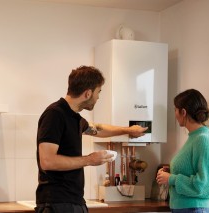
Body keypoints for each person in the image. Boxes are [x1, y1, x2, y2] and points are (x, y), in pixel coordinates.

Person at [35, 65, 148, 213]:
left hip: (72, 201)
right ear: (88, 93)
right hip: (57, 203)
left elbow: (98, 129)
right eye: (98, 92)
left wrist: (127, 130)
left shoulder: (74, 117)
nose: (98, 97)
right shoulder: (55, 114)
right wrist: (89, 159)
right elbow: (47, 161)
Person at [156, 89, 209, 213]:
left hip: (195, 209)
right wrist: (171, 172)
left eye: (175, 110)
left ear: (183, 112)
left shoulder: (203, 140)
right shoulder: (194, 137)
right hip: (188, 208)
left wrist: (171, 179)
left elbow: (206, 185)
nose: (174, 114)